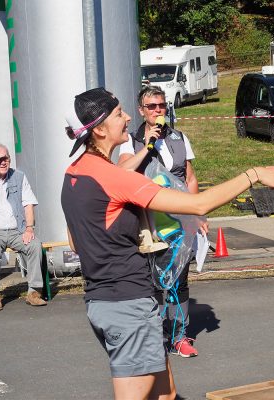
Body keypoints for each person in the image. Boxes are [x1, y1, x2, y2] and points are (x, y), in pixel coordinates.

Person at [61, 87, 274, 400]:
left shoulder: (73, 174)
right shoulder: (116, 178)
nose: (129, 117)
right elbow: (199, 204)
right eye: (120, 114)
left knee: (166, 393)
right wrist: (253, 174)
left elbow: (76, 244)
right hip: (128, 305)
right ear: (101, 129)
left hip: (101, 304)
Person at [118, 85, 203, 358]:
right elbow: (122, 172)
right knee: (151, 283)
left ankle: (180, 336)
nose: (158, 111)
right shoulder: (131, 140)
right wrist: (148, 145)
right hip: (148, 226)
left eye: (161, 106)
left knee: (180, 281)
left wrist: (198, 212)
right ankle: (155, 336)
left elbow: (189, 177)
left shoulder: (180, 137)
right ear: (142, 111)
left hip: (180, 224)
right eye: (152, 106)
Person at [0, 143, 46, 311]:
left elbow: (28, 204)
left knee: (35, 245)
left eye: (5, 158)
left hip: (17, 230)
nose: (3, 162)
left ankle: (34, 292)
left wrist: (29, 228)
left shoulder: (19, 177)